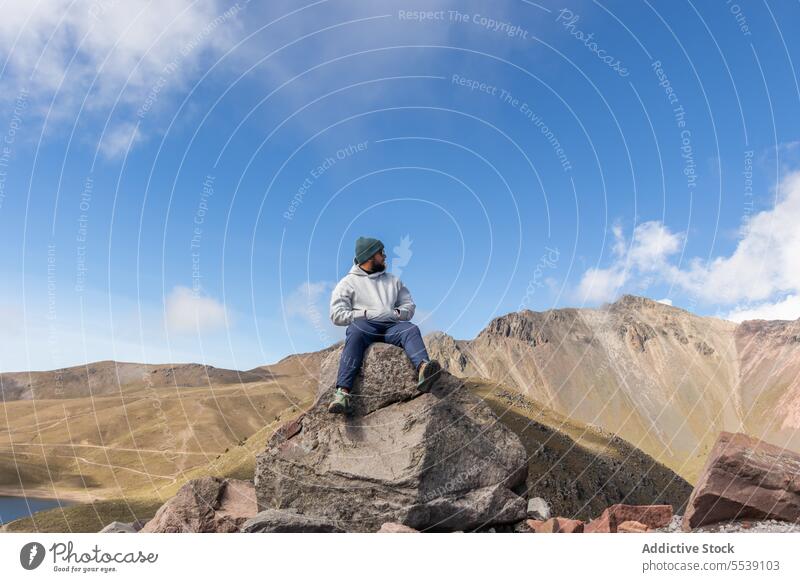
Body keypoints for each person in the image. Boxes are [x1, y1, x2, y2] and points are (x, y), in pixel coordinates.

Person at [328, 236, 442, 414]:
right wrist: (365, 314)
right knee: (355, 332)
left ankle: (424, 369)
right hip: (365, 326)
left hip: (391, 326)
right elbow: (336, 315)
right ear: (370, 257)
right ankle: (342, 393)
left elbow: (409, 305)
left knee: (410, 329)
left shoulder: (393, 281)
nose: (385, 256)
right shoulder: (347, 283)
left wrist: (396, 313)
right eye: (381, 253)